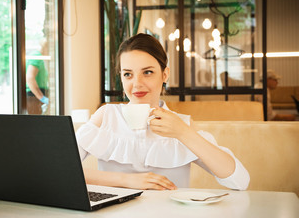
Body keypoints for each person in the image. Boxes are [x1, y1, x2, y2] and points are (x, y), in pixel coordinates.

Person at [76, 33, 250, 191]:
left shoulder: (183, 124)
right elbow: (58, 168)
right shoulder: (106, 116)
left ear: (164, 75)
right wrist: (126, 180)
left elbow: (239, 181)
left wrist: (182, 132)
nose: (137, 84)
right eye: (128, 74)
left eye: (148, 72)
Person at [26, 40, 49, 114]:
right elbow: (30, 79)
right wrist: (41, 98)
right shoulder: (36, 56)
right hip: (34, 97)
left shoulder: (41, 58)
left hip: (38, 96)